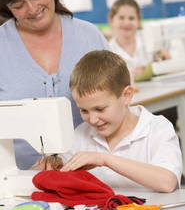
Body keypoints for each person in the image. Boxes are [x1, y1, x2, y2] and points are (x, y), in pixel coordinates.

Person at [0, 0, 108, 170]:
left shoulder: (89, 36)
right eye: (19, 5)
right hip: (19, 182)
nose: (32, 9)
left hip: (95, 173)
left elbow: (118, 108)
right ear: (7, 8)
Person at [59, 50, 182, 192]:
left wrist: (105, 160)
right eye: (84, 110)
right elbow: (61, 173)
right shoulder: (81, 134)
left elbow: (167, 182)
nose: (92, 120)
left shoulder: (157, 128)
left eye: (100, 109)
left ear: (127, 95)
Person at [108, 0, 185, 83]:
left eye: (131, 18)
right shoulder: (108, 50)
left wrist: (165, 59)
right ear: (111, 20)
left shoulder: (149, 38)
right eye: (121, 18)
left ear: (138, 21)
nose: (126, 23)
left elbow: (174, 63)